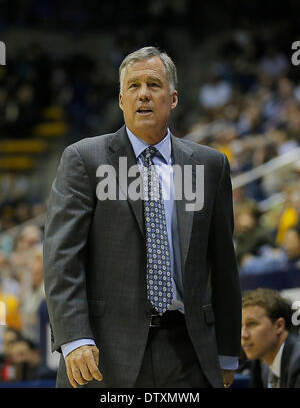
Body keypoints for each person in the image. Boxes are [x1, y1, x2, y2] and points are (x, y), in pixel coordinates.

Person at [43, 46, 241, 388]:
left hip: (190, 351)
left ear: (174, 98)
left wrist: (226, 351)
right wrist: (74, 337)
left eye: (153, 84)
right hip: (103, 352)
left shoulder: (210, 165)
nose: (143, 94)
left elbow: (224, 265)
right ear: (121, 100)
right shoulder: (85, 159)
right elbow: (62, 257)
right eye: (133, 87)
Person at [241, 288, 300, 388]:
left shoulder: (297, 363)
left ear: (279, 326)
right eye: (241, 326)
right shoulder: (263, 364)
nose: (243, 334)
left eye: (252, 324)